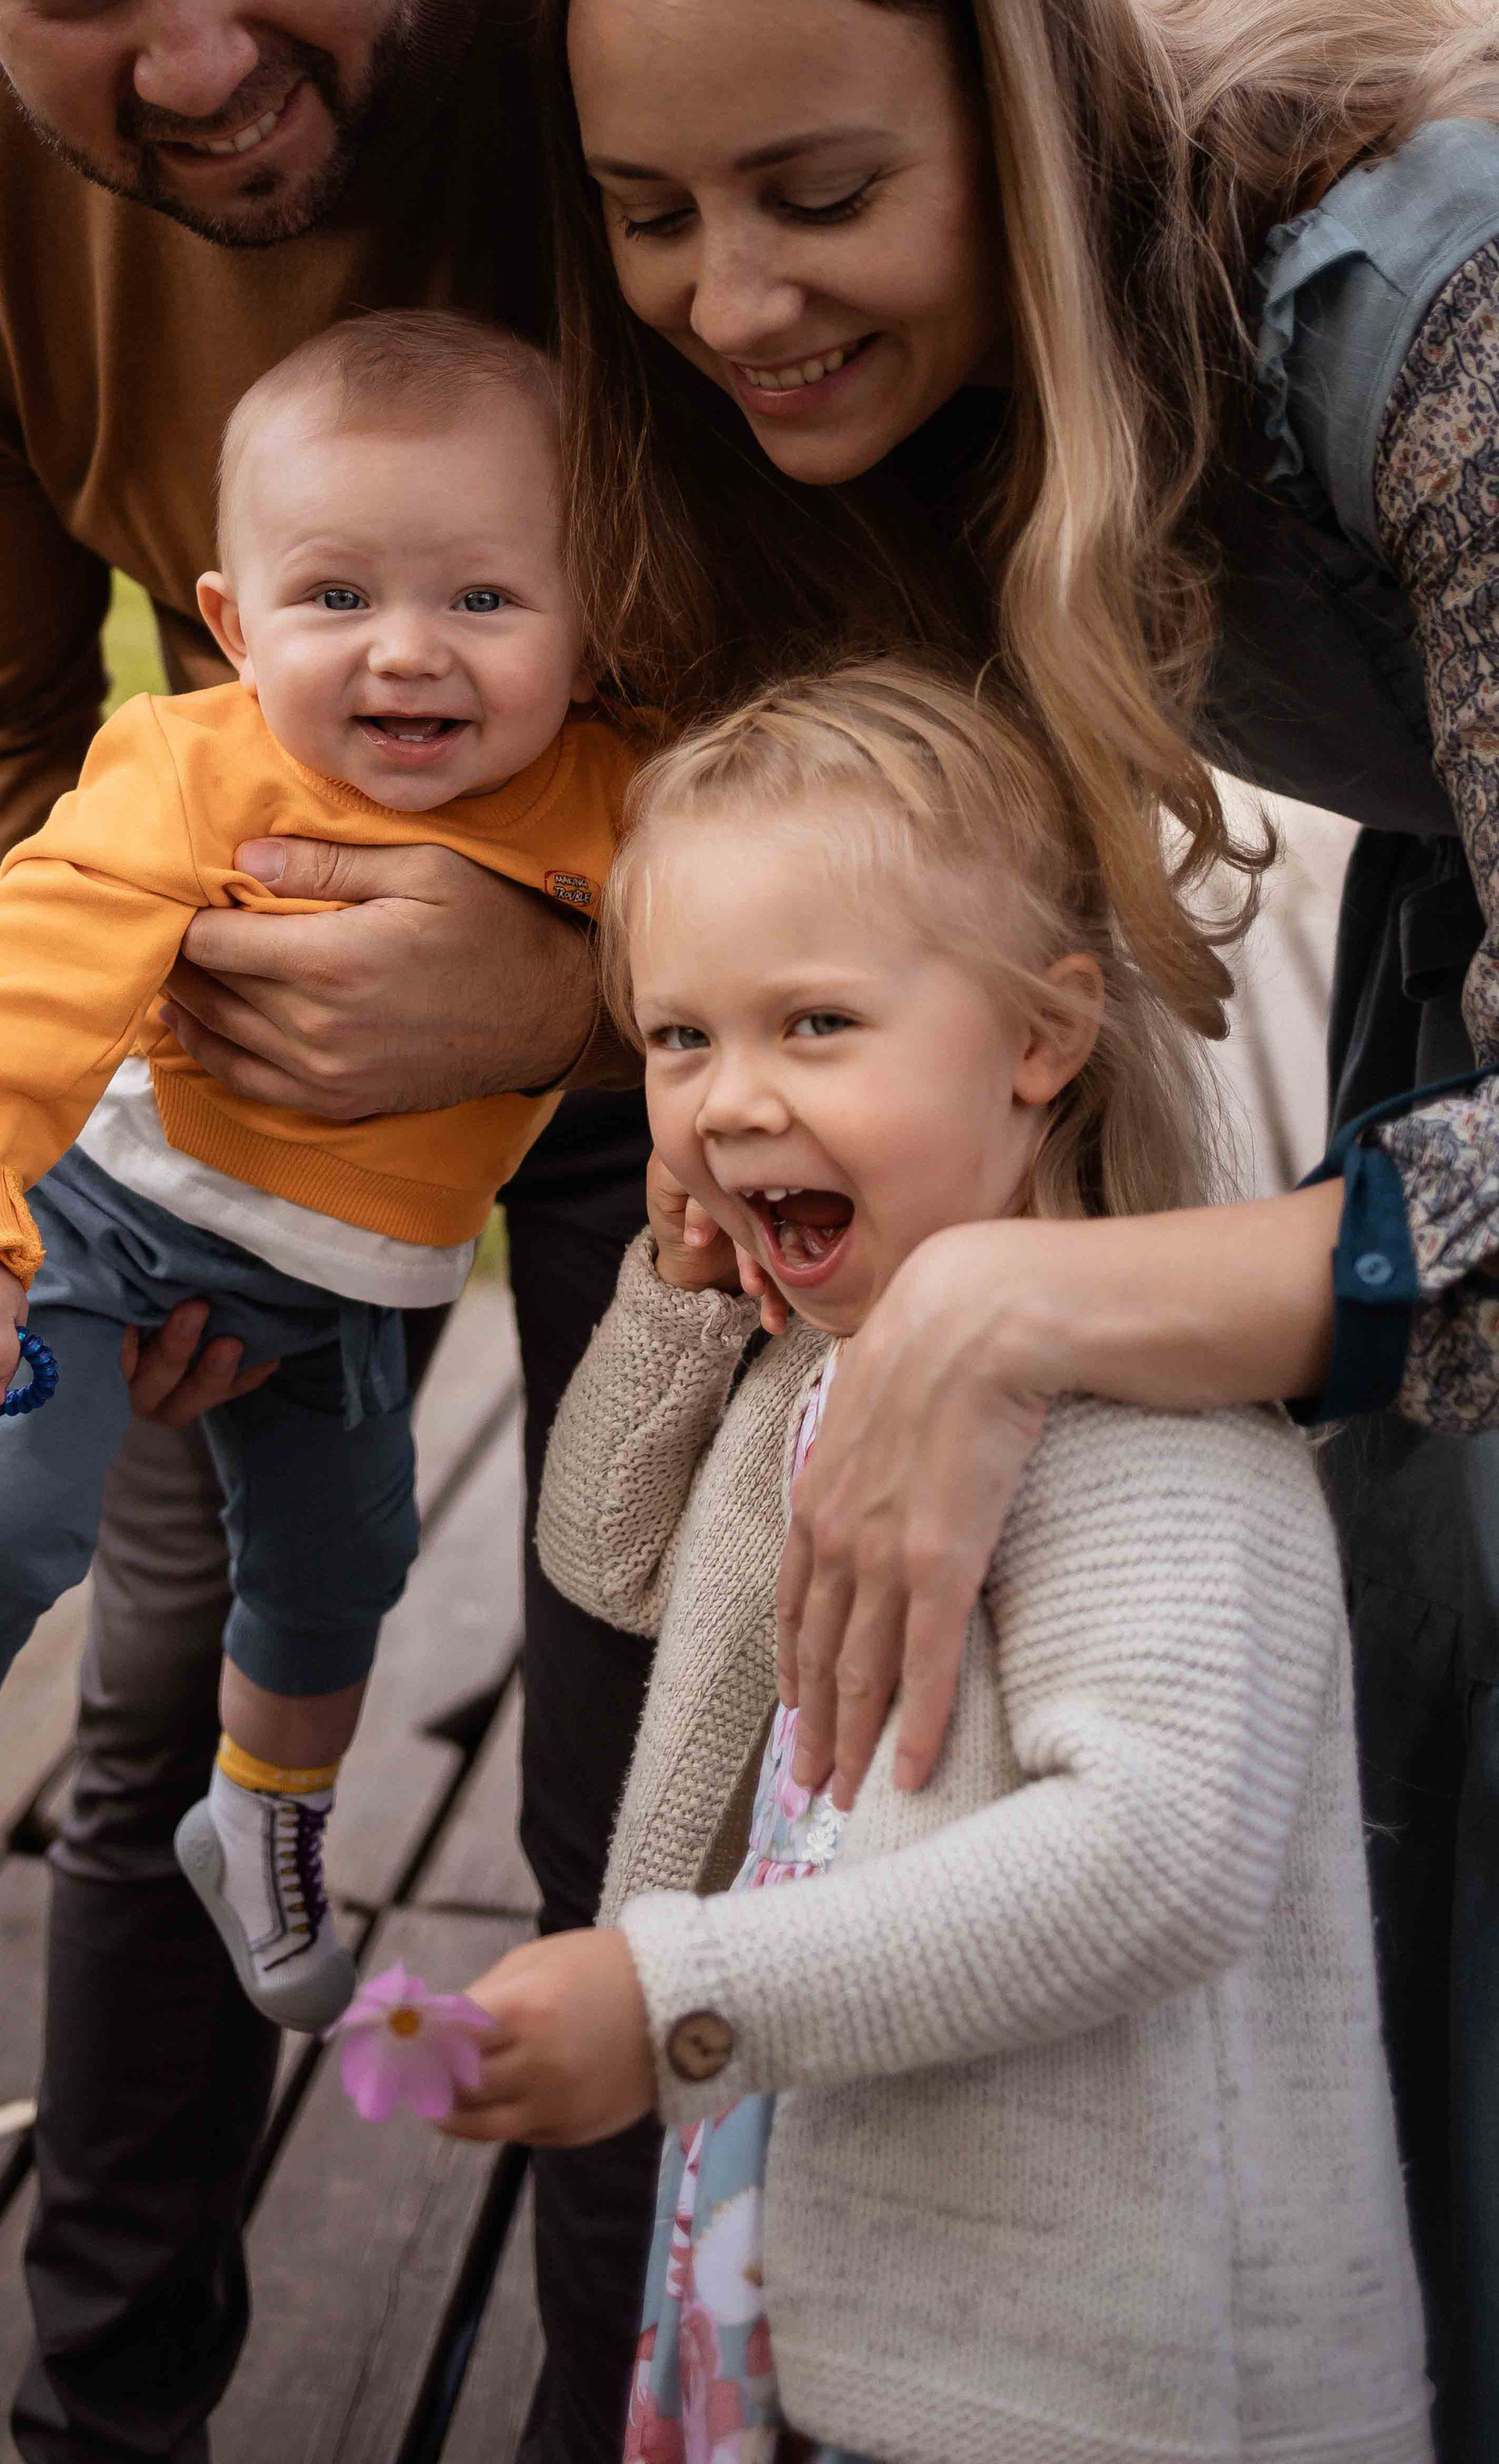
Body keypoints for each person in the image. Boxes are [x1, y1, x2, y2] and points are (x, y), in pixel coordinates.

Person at [540, 0, 1499, 2455]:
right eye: (647, 214)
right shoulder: (959, 422)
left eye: (817, 191)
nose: (726, 300)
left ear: (1038, 109)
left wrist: (1022, 1313)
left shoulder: (1434, 327)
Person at [0, 0, 656, 2461]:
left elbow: (910, 695)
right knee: (157, 1723)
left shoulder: (639, 60)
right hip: (252, 1099)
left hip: (711, 1027)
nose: (181, 51)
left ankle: (623, 2414)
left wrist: (582, 993)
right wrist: (66, 1186)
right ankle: (101, 2411)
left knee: (632, 1758)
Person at [442, 662, 1431, 2464]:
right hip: (837, 2252)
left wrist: (677, 1993)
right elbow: (602, 1553)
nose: (729, 1100)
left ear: (1039, 1042)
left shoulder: (1148, 1444)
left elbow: (1150, 1868)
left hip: (1097, 2375)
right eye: (680, 1039)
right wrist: (673, 1293)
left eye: (812, 1025)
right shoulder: (828, 1376)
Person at [0, 313, 632, 2033]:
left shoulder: (614, 804)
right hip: (104, 1222)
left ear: (595, 620)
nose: (403, 657)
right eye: (335, 599)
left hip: (350, 1282)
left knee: (338, 1572)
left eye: (482, 601)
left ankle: (264, 1818)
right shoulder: (193, 767)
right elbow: (12, 983)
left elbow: (713, 973)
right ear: (229, 625)